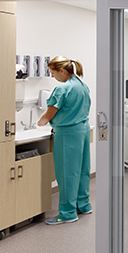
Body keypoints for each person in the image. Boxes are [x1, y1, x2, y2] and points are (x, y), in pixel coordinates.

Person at [38, 56, 92, 225]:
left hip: (68, 133)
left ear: (62, 71)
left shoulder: (63, 89)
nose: (53, 77)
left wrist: (42, 121)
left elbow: (50, 112)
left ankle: (67, 212)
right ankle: (83, 204)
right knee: (82, 169)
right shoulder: (82, 86)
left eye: (53, 73)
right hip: (82, 129)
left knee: (67, 172)